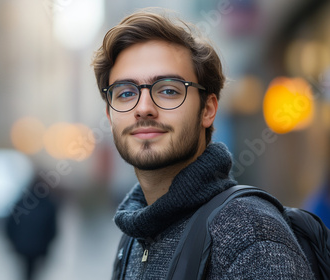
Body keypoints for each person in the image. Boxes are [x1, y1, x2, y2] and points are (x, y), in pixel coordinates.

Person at [92, 9, 314, 279]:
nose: (144, 108)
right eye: (126, 93)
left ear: (208, 110)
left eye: (168, 90)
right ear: (110, 114)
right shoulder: (133, 237)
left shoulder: (249, 235)